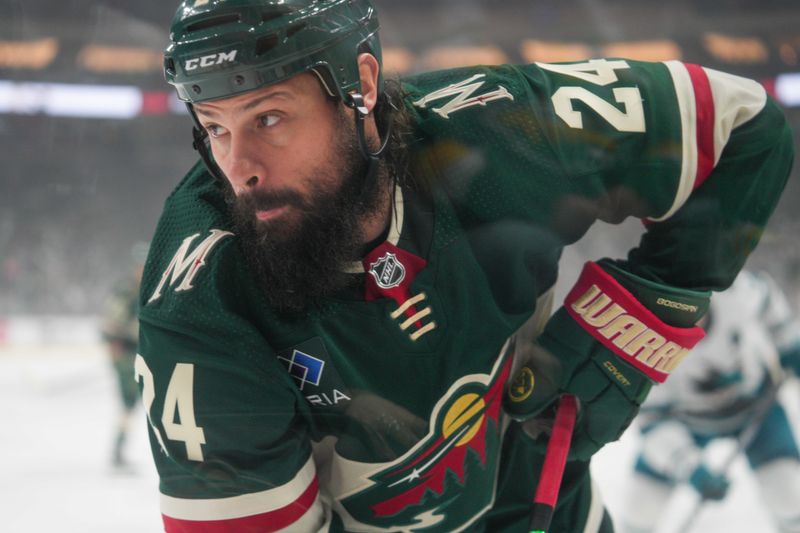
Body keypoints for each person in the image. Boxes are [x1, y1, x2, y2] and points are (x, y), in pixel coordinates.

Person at [136, 1, 794, 531]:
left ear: (360, 86)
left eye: (269, 116)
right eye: (213, 127)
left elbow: (747, 132)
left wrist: (634, 324)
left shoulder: (502, 129)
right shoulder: (202, 312)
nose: (238, 167)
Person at [619, 270, 800, 533]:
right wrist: (688, 466)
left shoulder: (735, 292)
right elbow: (653, 421)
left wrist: (790, 347)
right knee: (641, 504)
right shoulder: (645, 345)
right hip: (687, 420)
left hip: (755, 407)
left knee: (788, 493)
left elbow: (768, 299)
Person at [101, 242, 147, 470]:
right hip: (126, 357)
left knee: (136, 404)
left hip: (139, 357)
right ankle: (118, 450)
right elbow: (110, 327)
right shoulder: (127, 292)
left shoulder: (148, 290)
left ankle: (121, 449)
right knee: (129, 403)